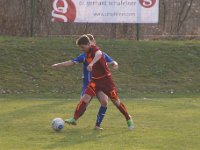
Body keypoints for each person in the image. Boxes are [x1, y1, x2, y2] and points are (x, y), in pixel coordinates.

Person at [65, 35, 134, 130]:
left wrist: (92, 63)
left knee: (116, 102)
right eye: (80, 47)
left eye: (82, 47)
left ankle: (128, 117)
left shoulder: (94, 49)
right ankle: (74, 118)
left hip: (106, 81)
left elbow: (99, 54)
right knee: (85, 98)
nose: (81, 49)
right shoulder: (86, 53)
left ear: (89, 44)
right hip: (95, 80)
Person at [52, 34, 118, 130]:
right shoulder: (84, 56)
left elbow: (112, 61)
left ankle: (97, 125)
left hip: (100, 85)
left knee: (104, 101)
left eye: (93, 42)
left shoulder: (100, 54)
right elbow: (72, 62)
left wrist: (114, 64)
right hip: (88, 85)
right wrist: (59, 65)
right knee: (84, 103)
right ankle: (74, 119)